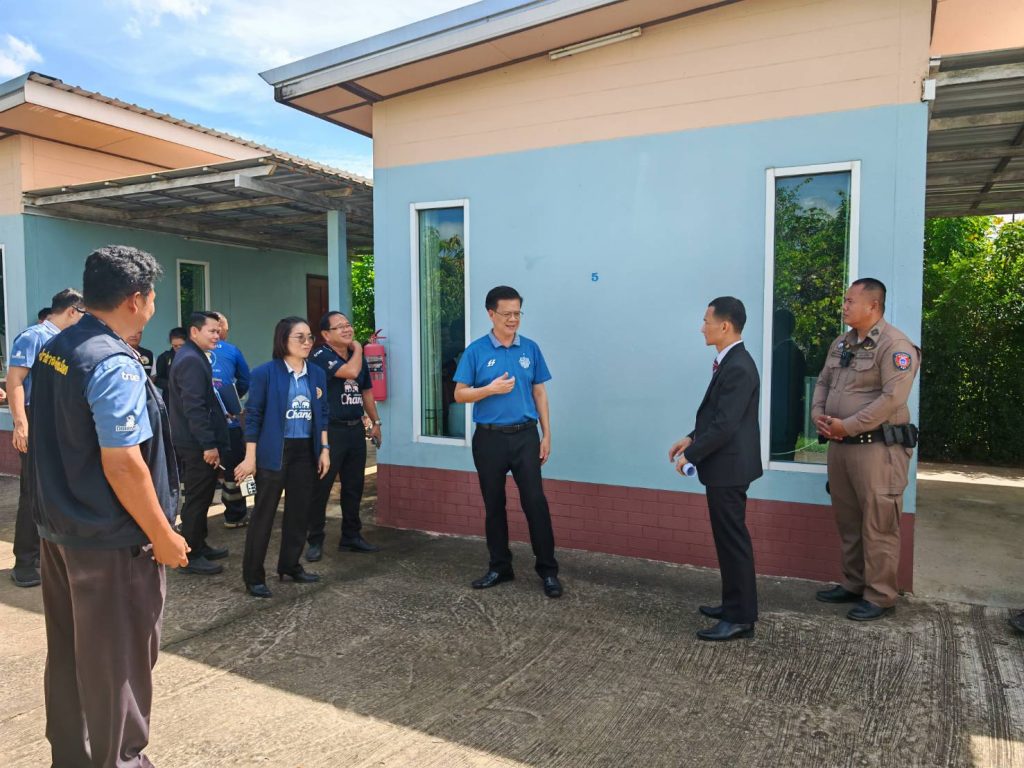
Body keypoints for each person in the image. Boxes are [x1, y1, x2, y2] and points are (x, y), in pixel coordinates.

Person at [30, 244, 188, 767]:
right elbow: (123, 463)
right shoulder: (113, 362)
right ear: (136, 299)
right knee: (118, 664)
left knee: (72, 655)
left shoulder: (58, 345)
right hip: (111, 542)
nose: (153, 306)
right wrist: (163, 534)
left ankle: (73, 757)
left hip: (63, 530)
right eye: (153, 297)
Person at [812, 278, 920, 621]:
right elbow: (823, 382)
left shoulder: (895, 345)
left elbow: (892, 399)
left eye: (850, 301)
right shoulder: (841, 343)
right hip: (841, 447)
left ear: (873, 306)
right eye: (845, 300)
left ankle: (881, 595)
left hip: (877, 450)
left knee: (879, 524)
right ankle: (854, 583)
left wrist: (848, 425)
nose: (844, 306)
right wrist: (817, 414)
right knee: (849, 521)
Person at [453, 285, 561, 598]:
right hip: (489, 439)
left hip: (526, 436)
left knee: (535, 502)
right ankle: (500, 566)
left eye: (517, 313)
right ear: (491, 314)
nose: (513, 319)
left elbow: (539, 392)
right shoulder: (476, 351)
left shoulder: (530, 349)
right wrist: (489, 390)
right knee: (494, 504)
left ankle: (548, 571)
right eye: (507, 314)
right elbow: (459, 394)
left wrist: (546, 434)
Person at [669, 297, 763, 642]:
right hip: (726, 466)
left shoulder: (738, 366)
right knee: (727, 540)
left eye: (706, 321)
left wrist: (691, 456)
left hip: (729, 468)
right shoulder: (730, 361)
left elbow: (725, 426)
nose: (701, 328)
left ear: (724, 326)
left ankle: (740, 618)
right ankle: (732, 605)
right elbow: (717, 417)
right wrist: (691, 437)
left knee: (733, 541)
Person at [234, 317, 329, 598]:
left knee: (299, 513)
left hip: (305, 451)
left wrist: (324, 449)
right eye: (300, 337)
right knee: (263, 516)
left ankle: (290, 565)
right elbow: (253, 416)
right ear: (282, 340)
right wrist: (250, 458)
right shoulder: (265, 373)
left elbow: (322, 414)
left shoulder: (316, 374)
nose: (307, 342)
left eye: (310, 337)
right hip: (274, 451)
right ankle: (253, 576)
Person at [8, 287, 83, 587]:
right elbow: (15, 380)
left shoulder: (65, 340)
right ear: (73, 311)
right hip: (34, 418)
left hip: (57, 419)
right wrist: (20, 424)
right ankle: (24, 561)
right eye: (84, 314)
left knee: (54, 488)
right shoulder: (34, 337)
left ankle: (44, 553)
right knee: (33, 492)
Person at [305, 311, 383, 561]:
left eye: (348, 325)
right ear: (326, 335)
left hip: (354, 428)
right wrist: (359, 348)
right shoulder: (320, 355)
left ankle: (351, 536)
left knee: (354, 485)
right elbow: (349, 372)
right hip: (330, 430)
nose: (347, 329)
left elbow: (366, 391)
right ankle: (314, 539)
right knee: (322, 486)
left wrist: (376, 422)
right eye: (340, 327)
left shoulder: (354, 358)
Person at [168, 311, 231, 575]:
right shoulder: (191, 360)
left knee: (203, 495)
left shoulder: (193, 355)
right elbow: (194, 407)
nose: (217, 336)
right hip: (195, 443)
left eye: (218, 331)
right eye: (212, 331)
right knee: (197, 497)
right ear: (194, 332)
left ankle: (199, 544)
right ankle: (190, 555)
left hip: (196, 440)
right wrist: (208, 445)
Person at [209, 311, 252, 528]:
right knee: (236, 468)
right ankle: (236, 515)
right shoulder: (232, 350)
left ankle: (194, 524)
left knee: (200, 473)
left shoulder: (189, 352)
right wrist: (233, 399)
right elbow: (245, 380)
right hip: (229, 420)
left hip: (201, 422)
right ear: (222, 329)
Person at [154, 327, 187, 403]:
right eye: (175, 346)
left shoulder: (194, 357)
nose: (178, 348)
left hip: (190, 398)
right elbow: (157, 379)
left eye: (181, 345)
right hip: (171, 399)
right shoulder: (165, 357)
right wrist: (172, 385)